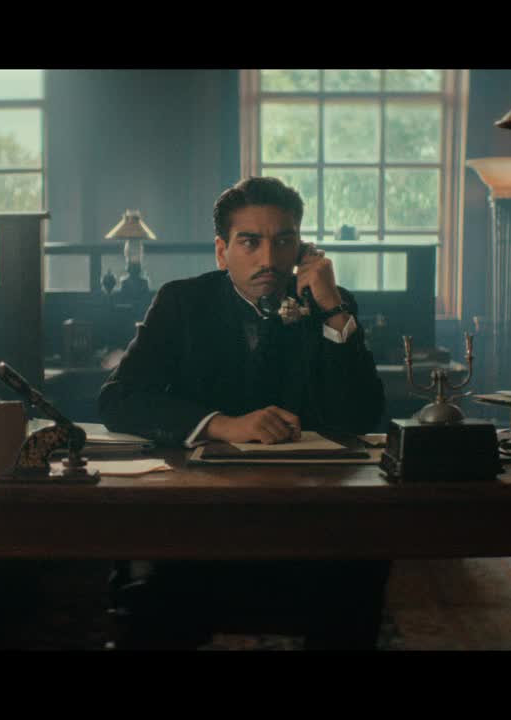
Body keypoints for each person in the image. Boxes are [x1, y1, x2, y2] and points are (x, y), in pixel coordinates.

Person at [98, 176, 388, 650]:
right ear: (222, 251)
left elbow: (362, 416)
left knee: (359, 574)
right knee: (157, 604)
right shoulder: (181, 302)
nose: (269, 260)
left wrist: (332, 310)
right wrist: (222, 424)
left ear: (302, 248)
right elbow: (119, 398)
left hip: (309, 516)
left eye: (283, 241)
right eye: (250, 242)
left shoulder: (330, 302)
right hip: (202, 518)